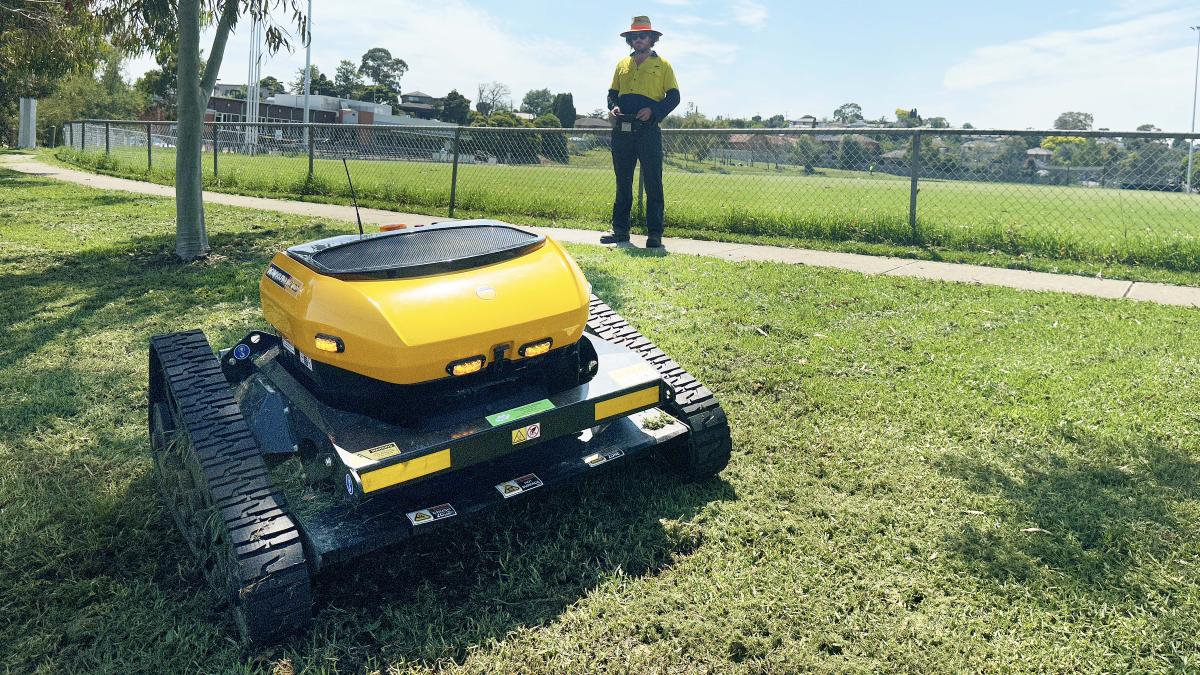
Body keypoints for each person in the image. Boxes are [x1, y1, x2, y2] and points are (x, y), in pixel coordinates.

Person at [600, 15, 680, 249]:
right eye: (634, 36)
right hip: (622, 132)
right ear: (630, 40)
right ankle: (620, 231)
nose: (638, 39)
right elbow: (612, 93)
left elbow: (674, 97)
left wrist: (653, 110)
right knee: (622, 182)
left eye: (643, 36)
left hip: (648, 132)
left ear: (652, 38)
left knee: (654, 182)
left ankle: (654, 234)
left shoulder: (663, 65)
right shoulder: (621, 64)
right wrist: (613, 106)